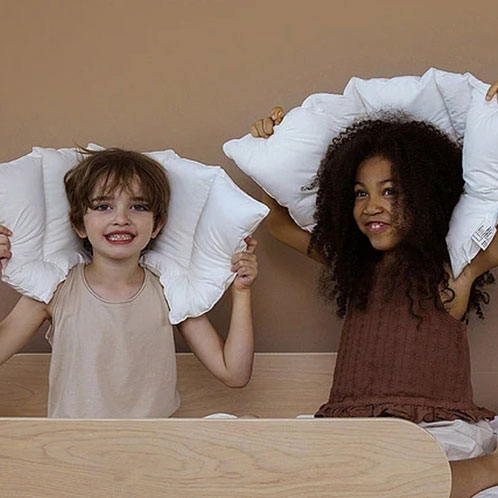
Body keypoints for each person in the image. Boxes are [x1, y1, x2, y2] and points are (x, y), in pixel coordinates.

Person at [250, 84, 498, 498]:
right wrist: (271, 151)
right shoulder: (355, 266)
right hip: (355, 430)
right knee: (285, 469)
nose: (371, 206)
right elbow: (278, 225)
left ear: (427, 196)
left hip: (431, 430)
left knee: (402, 480)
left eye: (390, 192)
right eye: (360, 193)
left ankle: (489, 467)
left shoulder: (453, 272)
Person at [0, 147, 258, 418]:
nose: (121, 219)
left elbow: (234, 373)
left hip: (153, 441)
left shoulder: (170, 290)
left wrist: (242, 292)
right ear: (79, 225)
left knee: (249, 422)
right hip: (76, 441)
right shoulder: (55, 289)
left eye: (138, 207)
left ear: (157, 225)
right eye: (103, 207)